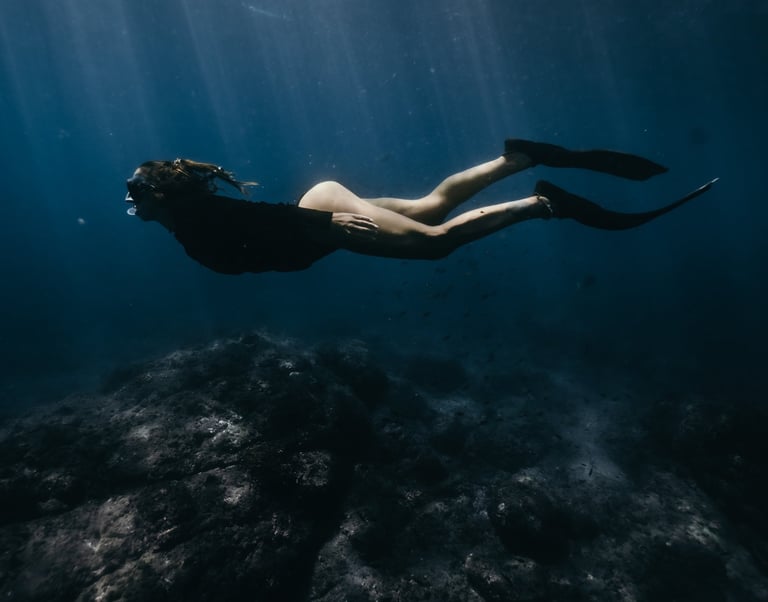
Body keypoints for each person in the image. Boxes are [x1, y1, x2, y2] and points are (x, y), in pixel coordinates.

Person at [125, 139, 717, 275]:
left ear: (164, 197)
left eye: (135, 193)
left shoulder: (201, 217)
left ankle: (542, 203)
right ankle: (518, 160)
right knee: (430, 208)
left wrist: (324, 226)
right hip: (317, 212)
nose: (130, 201)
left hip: (318, 222)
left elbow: (258, 221)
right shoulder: (187, 216)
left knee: (435, 244)